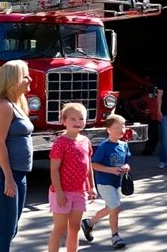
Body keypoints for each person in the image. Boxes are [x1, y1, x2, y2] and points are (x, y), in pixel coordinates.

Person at [0, 60, 34, 252]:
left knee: (11, 229)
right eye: (25, 76)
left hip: (18, 174)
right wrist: (8, 178)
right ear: (13, 80)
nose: (30, 79)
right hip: (4, 174)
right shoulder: (4, 106)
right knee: (5, 231)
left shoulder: (18, 104)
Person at [48, 102, 97, 252]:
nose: (77, 122)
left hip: (80, 192)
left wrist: (91, 186)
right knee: (60, 228)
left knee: (74, 228)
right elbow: (54, 169)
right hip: (62, 192)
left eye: (81, 118)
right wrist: (59, 193)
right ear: (64, 121)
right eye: (73, 119)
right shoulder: (60, 143)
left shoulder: (85, 141)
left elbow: (88, 165)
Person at [81, 114, 131, 249]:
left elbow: (126, 161)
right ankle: (115, 236)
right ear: (108, 130)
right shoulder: (104, 146)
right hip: (104, 182)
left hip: (118, 183)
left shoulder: (124, 145)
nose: (121, 130)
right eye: (117, 128)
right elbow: (94, 164)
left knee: (111, 207)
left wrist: (126, 167)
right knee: (115, 207)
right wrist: (111, 170)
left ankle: (89, 223)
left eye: (123, 127)